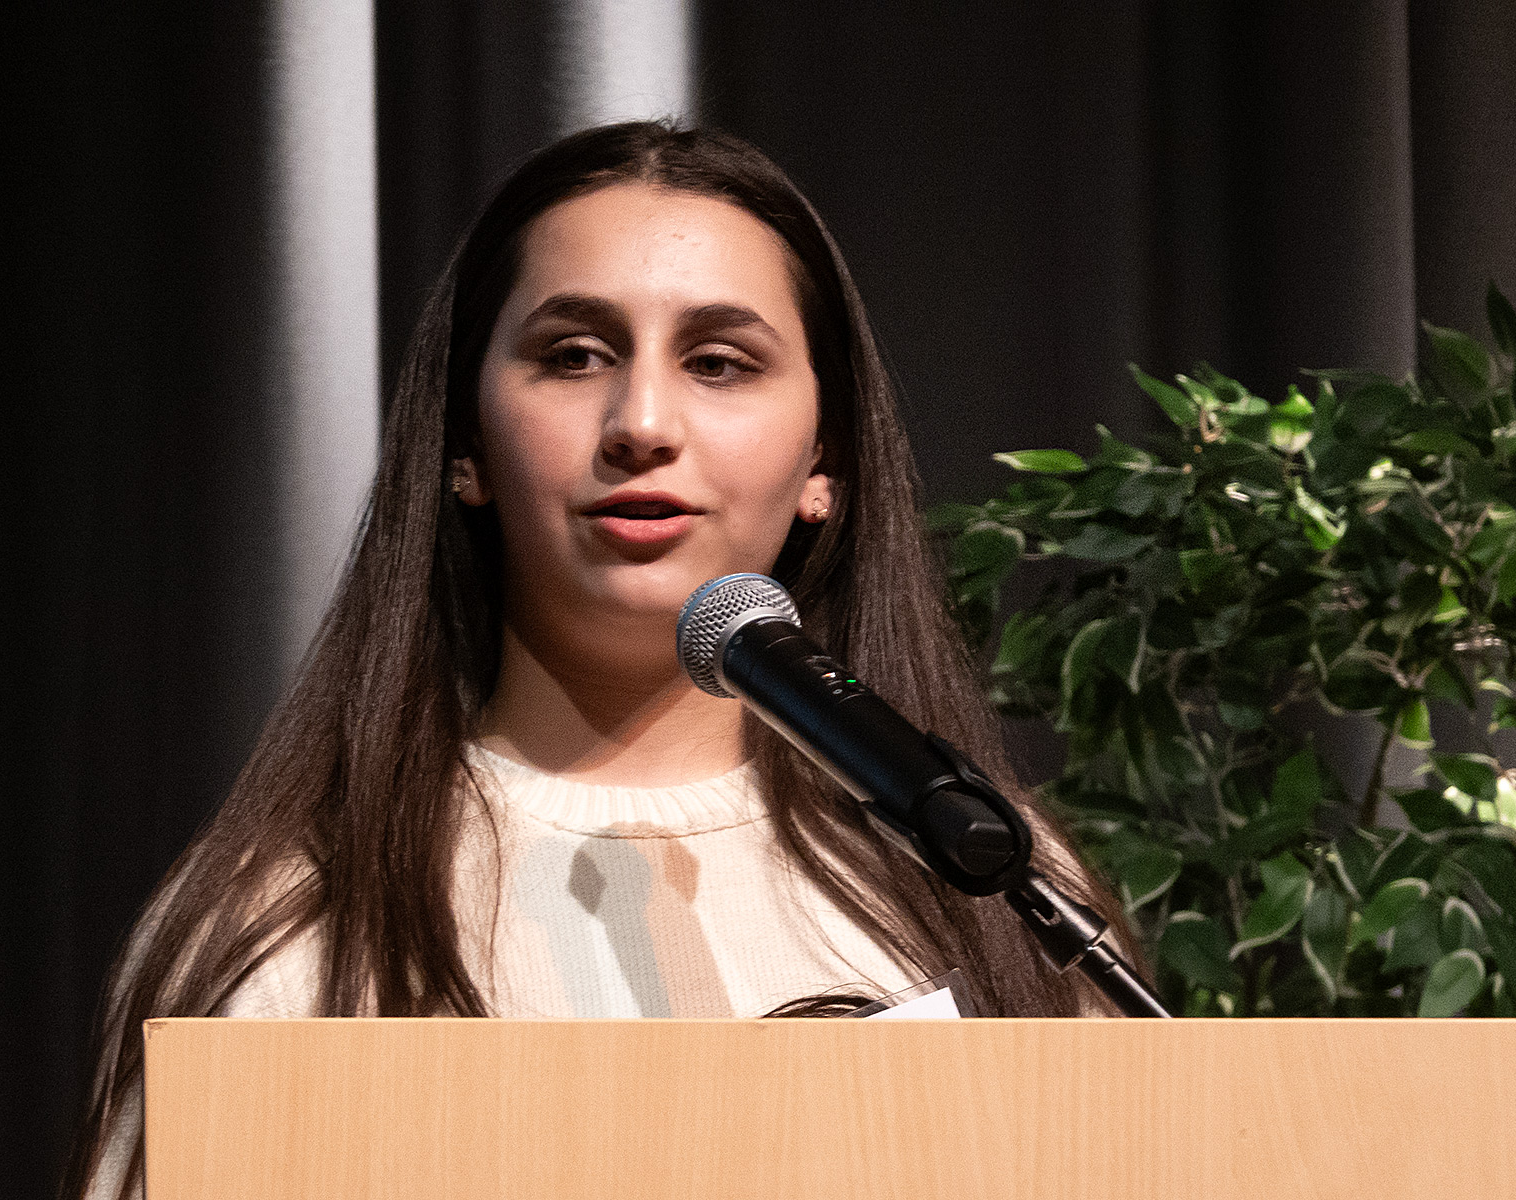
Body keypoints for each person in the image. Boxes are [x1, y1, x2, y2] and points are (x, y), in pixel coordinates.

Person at [66, 121, 1140, 1200]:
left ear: (827, 460)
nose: (642, 423)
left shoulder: (995, 886)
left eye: (718, 363)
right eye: (575, 356)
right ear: (467, 446)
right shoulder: (295, 916)